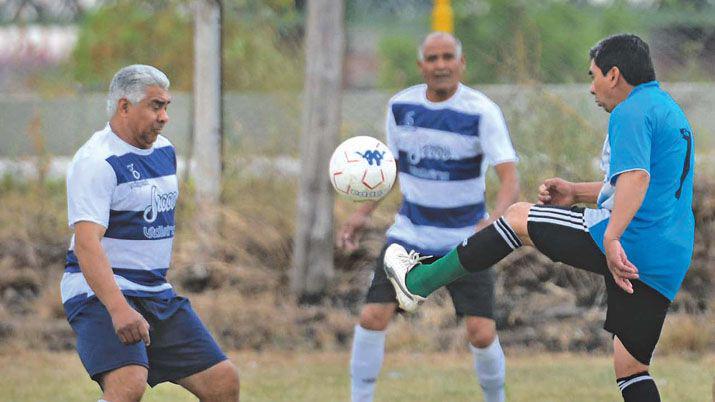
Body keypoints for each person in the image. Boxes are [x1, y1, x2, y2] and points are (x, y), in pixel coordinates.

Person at [384, 34, 695, 402]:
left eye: (593, 76)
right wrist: (575, 193)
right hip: (668, 254)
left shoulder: (630, 112)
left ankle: (418, 282)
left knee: (517, 217)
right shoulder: (666, 108)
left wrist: (611, 238)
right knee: (631, 368)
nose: (591, 88)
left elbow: (635, 179)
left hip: (629, 241)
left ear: (614, 75)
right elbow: (646, 185)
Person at [339, 32, 519, 402]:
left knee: (481, 333)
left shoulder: (481, 111)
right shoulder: (400, 108)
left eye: (447, 57)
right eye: (432, 59)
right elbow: (387, 169)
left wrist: (496, 222)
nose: (441, 66)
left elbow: (509, 178)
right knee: (373, 316)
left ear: (461, 63)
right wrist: (360, 214)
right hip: (410, 235)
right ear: (422, 66)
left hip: (466, 239)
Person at [62, 64, 240, 402]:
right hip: (101, 291)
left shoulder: (164, 151)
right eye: (155, 106)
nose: (164, 117)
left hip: (155, 291)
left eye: (166, 106)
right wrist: (118, 308)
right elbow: (86, 244)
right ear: (124, 106)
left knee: (222, 381)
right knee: (128, 384)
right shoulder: (96, 161)